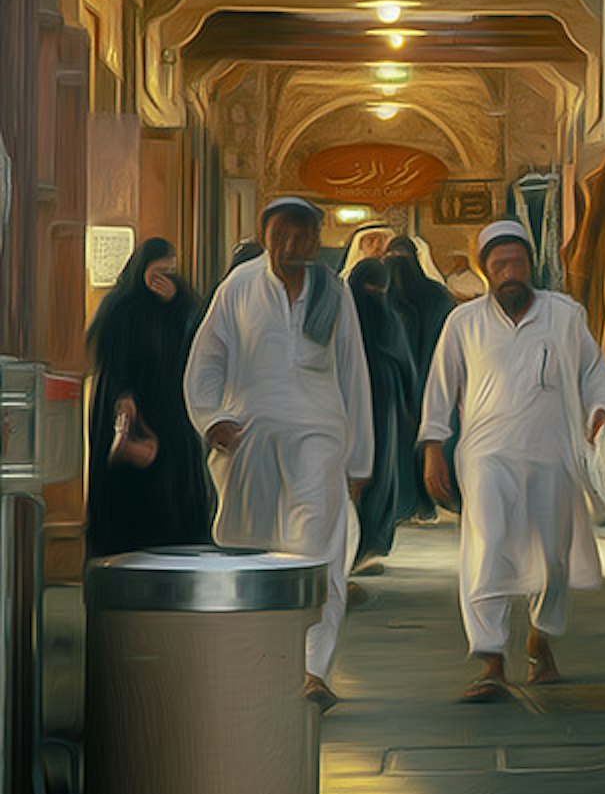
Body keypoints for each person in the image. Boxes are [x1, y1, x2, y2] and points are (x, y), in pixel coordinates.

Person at [184, 198, 375, 702]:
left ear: (316, 240)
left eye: (300, 236)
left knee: (316, 551)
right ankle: (251, 663)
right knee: (246, 546)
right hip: (249, 440)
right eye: (280, 235)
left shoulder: (334, 293)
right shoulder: (238, 288)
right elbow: (206, 360)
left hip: (319, 436)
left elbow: (354, 374)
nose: (290, 245)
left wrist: (360, 460)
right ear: (264, 235)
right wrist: (212, 419)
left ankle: (312, 669)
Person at [418, 220, 605, 702]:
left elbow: (594, 372)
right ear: (485, 270)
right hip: (487, 458)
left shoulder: (565, 315)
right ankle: (489, 661)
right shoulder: (463, 324)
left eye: (517, 263)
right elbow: (440, 390)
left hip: (554, 456)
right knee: (486, 552)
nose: (510, 273)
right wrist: (433, 450)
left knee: (550, 557)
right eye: (499, 264)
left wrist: (600, 412)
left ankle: (539, 639)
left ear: (531, 265)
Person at [83, 236, 211, 559]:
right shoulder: (121, 307)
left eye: (171, 272)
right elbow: (110, 359)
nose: (164, 279)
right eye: (158, 272)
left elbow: (196, 339)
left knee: (174, 486)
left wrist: (177, 301)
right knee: (134, 492)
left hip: (172, 409)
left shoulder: (181, 305)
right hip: (131, 404)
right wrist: (124, 398)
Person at [345, 231, 429, 573]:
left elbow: (404, 361)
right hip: (358, 404)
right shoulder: (344, 321)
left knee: (381, 471)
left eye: (380, 290)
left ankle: (372, 542)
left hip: (386, 403)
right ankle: (355, 546)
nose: (375, 296)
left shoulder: (385, 316)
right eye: (370, 289)